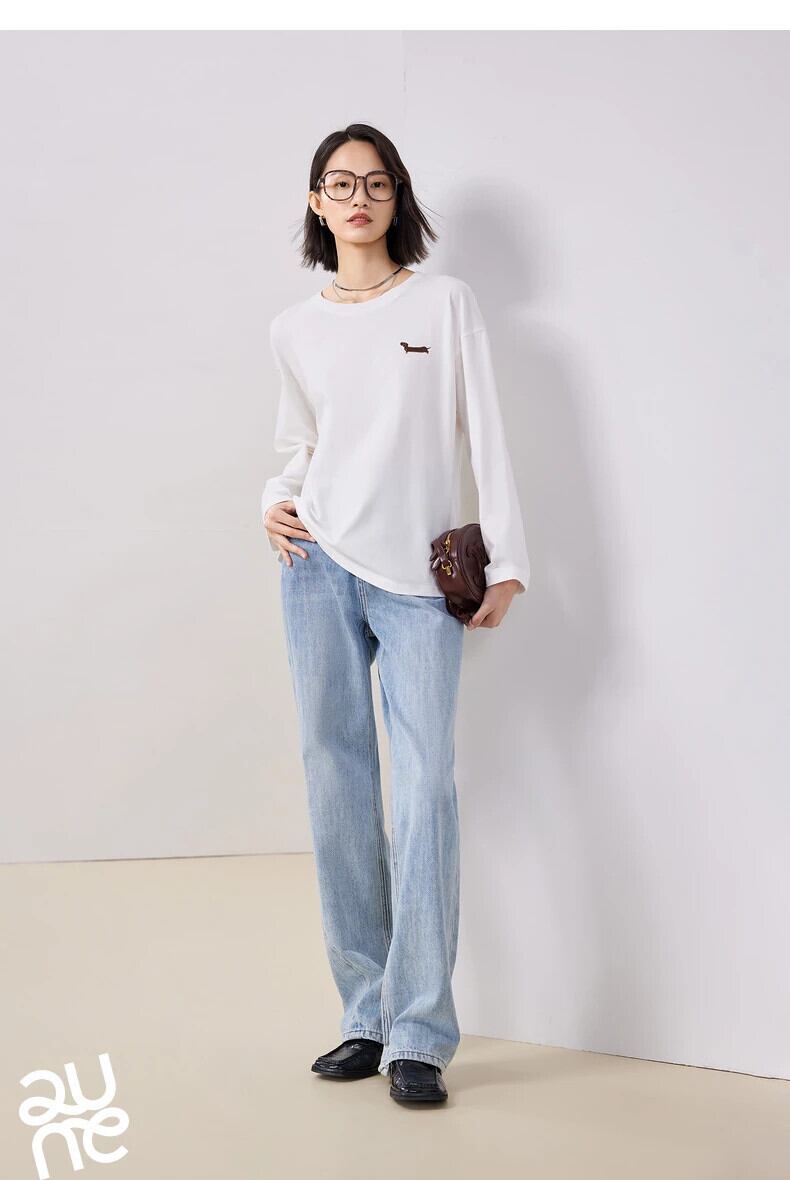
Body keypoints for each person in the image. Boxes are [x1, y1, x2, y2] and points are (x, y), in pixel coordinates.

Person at [261, 123, 530, 1104]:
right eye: (340, 184)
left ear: (397, 196)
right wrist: (272, 499)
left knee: (424, 794)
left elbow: (485, 431)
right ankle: (365, 1016)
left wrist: (507, 560)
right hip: (315, 562)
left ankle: (419, 1031)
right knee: (335, 778)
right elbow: (300, 444)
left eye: (375, 183)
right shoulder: (294, 327)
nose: (359, 199)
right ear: (316, 202)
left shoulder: (444, 303)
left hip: (417, 578)